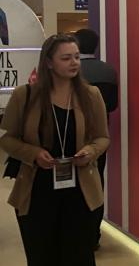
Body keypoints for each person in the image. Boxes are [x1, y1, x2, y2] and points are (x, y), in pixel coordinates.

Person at [0, 34, 110, 266]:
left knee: (79, 257)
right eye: (66, 58)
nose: (74, 63)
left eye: (77, 57)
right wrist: (33, 154)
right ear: (49, 62)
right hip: (36, 191)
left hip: (80, 191)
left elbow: (102, 138)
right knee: (42, 257)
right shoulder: (25, 95)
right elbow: (7, 139)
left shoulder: (91, 95)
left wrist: (91, 151)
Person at [74, 27, 118, 250]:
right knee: (96, 182)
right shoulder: (108, 71)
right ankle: (93, 235)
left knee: (71, 185)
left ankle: (74, 233)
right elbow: (112, 105)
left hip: (71, 135)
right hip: (99, 137)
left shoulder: (69, 71)